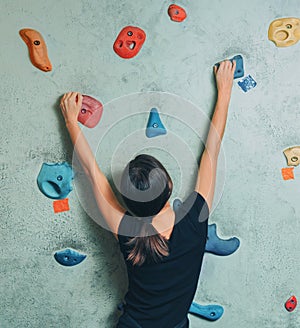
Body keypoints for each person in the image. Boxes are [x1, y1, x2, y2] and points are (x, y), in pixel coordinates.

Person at [59, 59, 236, 328]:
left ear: (127, 202)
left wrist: (71, 121)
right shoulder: (194, 220)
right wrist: (225, 91)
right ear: (169, 187)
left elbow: (91, 172)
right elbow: (211, 151)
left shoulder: (126, 229)